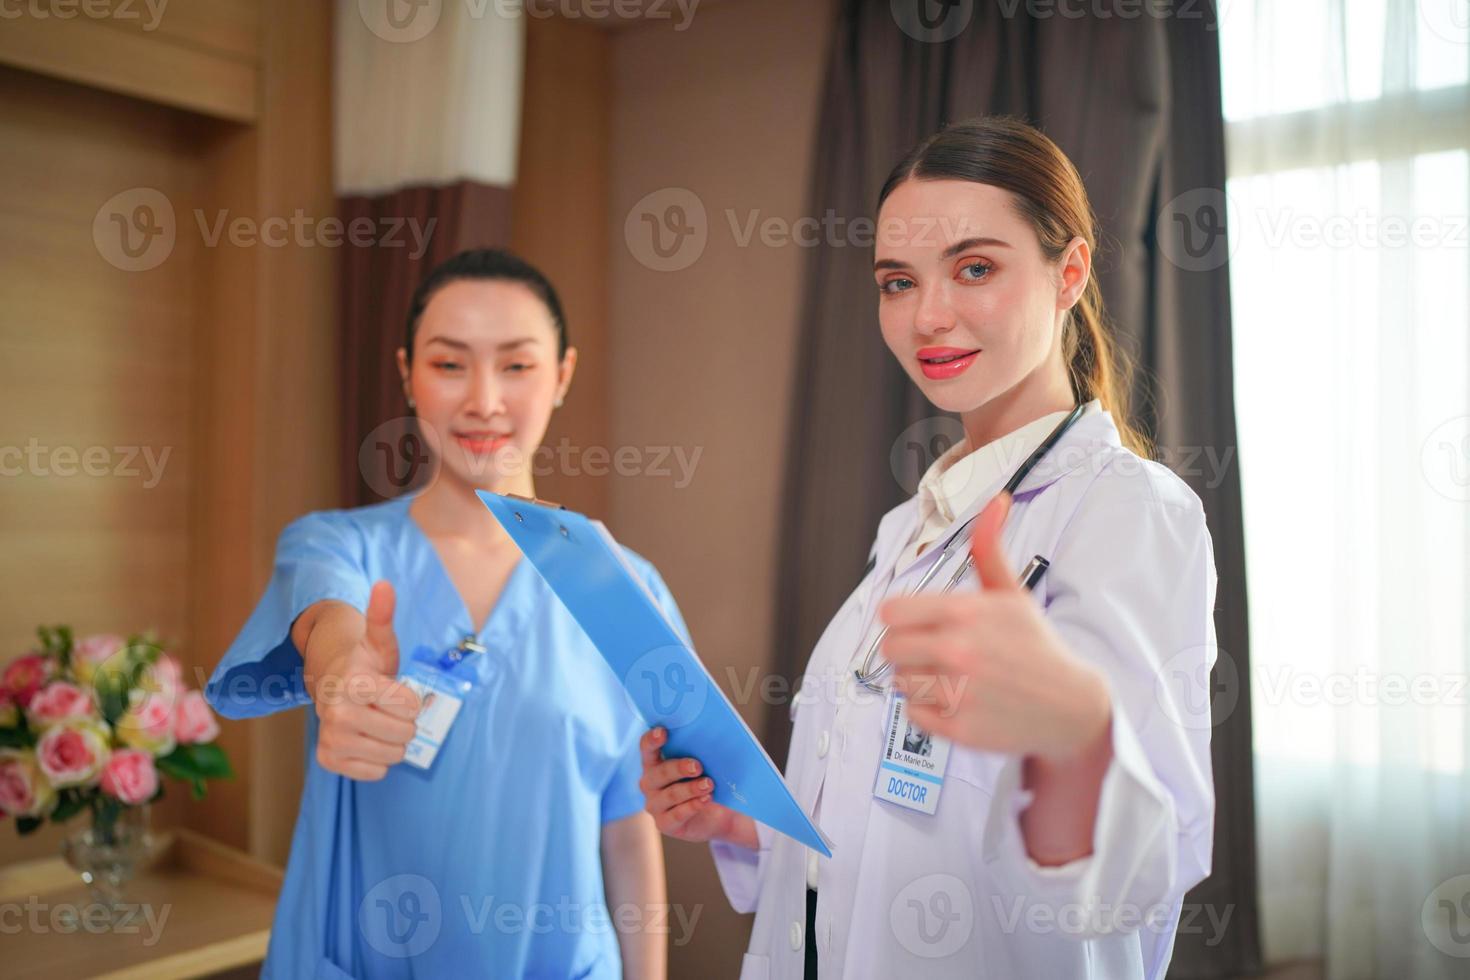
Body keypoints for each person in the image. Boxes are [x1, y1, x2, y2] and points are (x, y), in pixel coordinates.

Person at [639, 117, 1217, 979]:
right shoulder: (914, 524)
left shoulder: (1127, 512)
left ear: (1070, 272)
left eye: (974, 267)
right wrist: (745, 823)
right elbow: (893, 806)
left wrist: (1071, 732)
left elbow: (1138, 872)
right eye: (897, 281)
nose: (928, 316)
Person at [207, 248, 681, 979]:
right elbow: (328, 625)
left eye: (517, 366)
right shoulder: (339, 545)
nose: (483, 400)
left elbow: (626, 824)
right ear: (407, 373)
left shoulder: (626, 589)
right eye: (449, 363)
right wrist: (341, 678)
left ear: (563, 376)